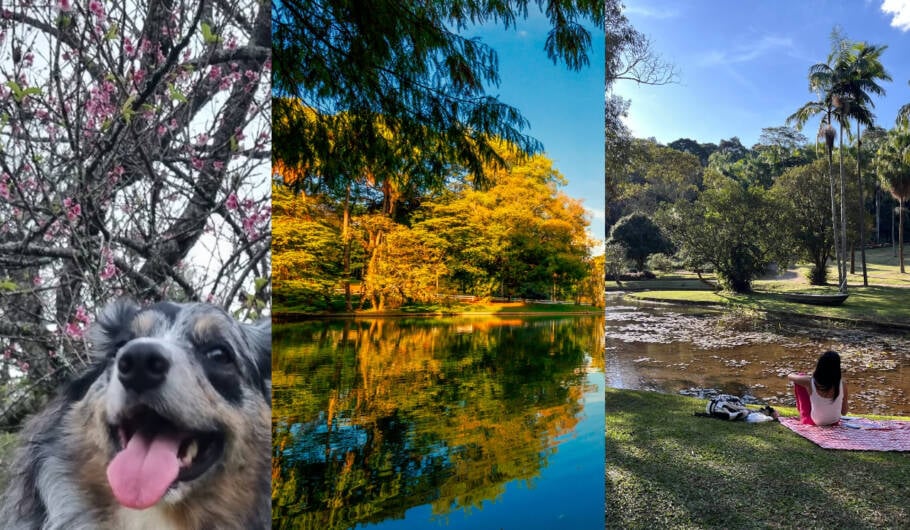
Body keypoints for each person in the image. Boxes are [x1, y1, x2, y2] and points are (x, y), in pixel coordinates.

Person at [787, 350, 848, 426]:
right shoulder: (842, 383)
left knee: (800, 378)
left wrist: (796, 374)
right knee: (806, 385)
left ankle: (802, 413)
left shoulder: (809, 381)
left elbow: (789, 376)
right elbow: (844, 412)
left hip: (813, 422)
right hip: (834, 422)